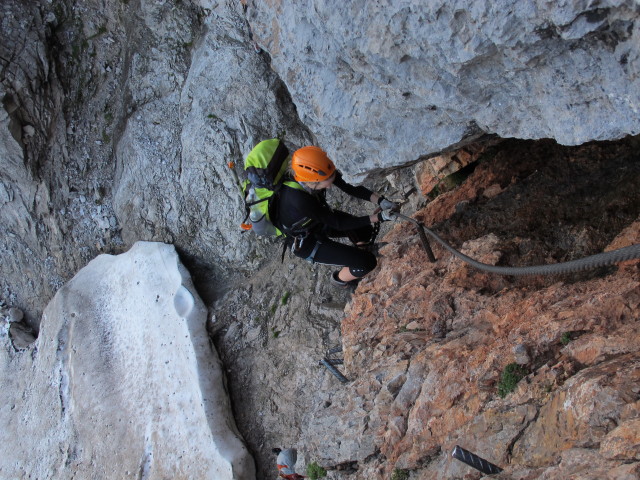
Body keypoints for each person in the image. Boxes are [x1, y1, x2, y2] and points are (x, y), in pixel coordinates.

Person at [274, 145, 398, 288]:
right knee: (367, 262)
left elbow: (348, 186)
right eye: (326, 184)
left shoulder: (319, 171)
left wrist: (380, 201)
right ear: (312, 182)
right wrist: (379, 217)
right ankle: (340, 281)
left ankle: (359, 253)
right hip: (306, 242)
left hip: (318, 222)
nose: (330, 187)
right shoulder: (299, 200)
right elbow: (339, 223)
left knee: (364, 230)